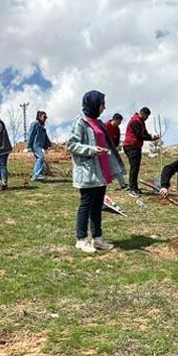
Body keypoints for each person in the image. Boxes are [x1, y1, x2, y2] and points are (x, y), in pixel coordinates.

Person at [66, 91, 123, 253]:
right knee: (86, 205)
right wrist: (91, 150)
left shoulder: (98, 123)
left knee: (98, 206)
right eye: (102, 104)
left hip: (101, 171)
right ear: (93, 104)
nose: (104, 108)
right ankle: (81, 239)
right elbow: (71, 144)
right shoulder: (80, 122)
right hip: (88, 171)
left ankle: (97, 239)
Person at [122, 107, 159, 197]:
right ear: (142, 113)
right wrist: (151, 138)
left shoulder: (141, 122)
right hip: (131, 146)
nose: (146, 118)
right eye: (146, 116)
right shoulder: (135, 121)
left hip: (136, 147)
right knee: (134, 167)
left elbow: (145, 134)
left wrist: (152, 137)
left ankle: (135, 187)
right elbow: (138, 135)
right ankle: (132, 189)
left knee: (136, 167)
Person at [104, 113, 128, 190]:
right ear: (115, 119)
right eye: (119, 122)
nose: (120, 124)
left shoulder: (117, 129)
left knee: (116, 166)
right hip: (102, 149)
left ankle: (123, 184)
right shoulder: (105, 126)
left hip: (111, 150)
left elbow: (116, 141)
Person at [26, 110, 51, 181]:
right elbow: (30, 134)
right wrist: (28, 145)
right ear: (39, 116)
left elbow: (45, 137)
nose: (45, 119)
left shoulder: (42, 126)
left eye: (46, 117)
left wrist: (48, 144)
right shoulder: (35, 124)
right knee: (40, 158)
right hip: (35, 144)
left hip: (40, 145)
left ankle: (35, 176)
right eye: (44, 117)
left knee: (39, 159)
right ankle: (37, 175)